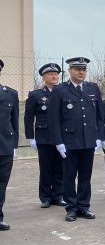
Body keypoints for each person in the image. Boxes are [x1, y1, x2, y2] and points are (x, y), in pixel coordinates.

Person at [49, 57, 103, 222]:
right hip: (69, 141)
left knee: (86, 176)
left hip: (88, 141)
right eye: (77, 69)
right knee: (69, 176)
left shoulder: (93, 88)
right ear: (70, 71)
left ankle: (83, 207)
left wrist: (99, 137)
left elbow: (100, 116)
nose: (81, 72)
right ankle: (71, 208)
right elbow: (54, 119)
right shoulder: (60, 90)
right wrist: (58, 142)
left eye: (84, 69)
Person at [24, 62, 66, 208]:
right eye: (50, 74)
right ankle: (45, 197)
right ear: (43, 78)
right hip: (44, 137)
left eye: (56, 74)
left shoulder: (63, 92)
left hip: (61, 137)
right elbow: (28, 117)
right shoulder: (36, 95)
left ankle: (58, 195)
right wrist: (30, 137)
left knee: (60, 168)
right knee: (46, 168)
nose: (54, 76)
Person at [0, 58, 19, 231]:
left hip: (4, 146)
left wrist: (14, 146)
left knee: (1, 183)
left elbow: (14, 122)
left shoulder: (10, 94)